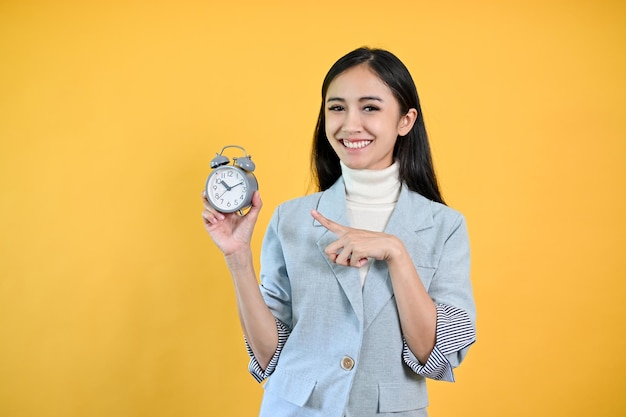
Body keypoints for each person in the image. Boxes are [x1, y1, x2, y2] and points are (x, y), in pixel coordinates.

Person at [202, 47, 476, 417]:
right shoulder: (290, 218)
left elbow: (434, 353)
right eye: (336, 107)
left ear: (405, 120)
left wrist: (395, 251)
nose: (350, 125)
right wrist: (237, 257)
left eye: (370, 107)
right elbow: (271, 355)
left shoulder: (444, 226)